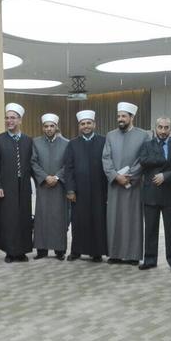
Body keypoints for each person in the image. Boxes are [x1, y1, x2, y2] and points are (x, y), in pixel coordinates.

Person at [101, 102, 152, 265]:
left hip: (133, 185)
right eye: (118, 116)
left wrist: (130, 176)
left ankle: (133, 255)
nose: (120, 119)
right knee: (114, 219)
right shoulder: (110, 135)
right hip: (115, 184)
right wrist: (116, 176)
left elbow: (144, 158)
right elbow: (106, 158)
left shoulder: (144, 135)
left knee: (132, 219)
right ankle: (114, 254)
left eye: (123, 116)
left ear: (132, 117)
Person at [137, 117, 171, 273]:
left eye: (166, 128)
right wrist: (163, 160)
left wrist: (166, 176)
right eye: (160, 127)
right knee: (150, 229)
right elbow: (143, 160)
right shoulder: (146, 145)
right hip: (150, 194)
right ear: (155, 128)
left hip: (169, 194)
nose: (163, 131)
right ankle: (150, 260)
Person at [63, 110, 107, 262]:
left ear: (94, 124)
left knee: (98, 220)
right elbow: (68, 168)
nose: (86, 126)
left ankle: (97, 252)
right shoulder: (72, 144)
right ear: (79, 126)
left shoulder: (103, 141)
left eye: (89, 123)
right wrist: (70, 189)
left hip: (99, 190)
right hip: (79, 191)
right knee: (79, 222)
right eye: (83, 124)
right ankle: (76, 251)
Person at [0, 103, 35, 263]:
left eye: (13, 118)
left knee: (23, 218)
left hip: (24, 186)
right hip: (6, 187)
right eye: (7, 118)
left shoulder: (28, 141)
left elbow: (32, 165)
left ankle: (22, 251)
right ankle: (10, 251)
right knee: (8, 220)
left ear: (20, 120)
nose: (9, 121)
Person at [30, 113, 70, 260]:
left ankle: (60, 251)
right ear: (42, 127)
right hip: (43, 185)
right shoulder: (36, 142)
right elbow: (33, 162)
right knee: (42, 217)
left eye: (51, 126)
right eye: (46, 126)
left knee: (59, 218)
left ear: (56, 127)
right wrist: (45, 177)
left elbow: (68, 164)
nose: (49, 129)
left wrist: (57, 177)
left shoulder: (66, 143)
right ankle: (42, 250)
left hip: (59, 186)